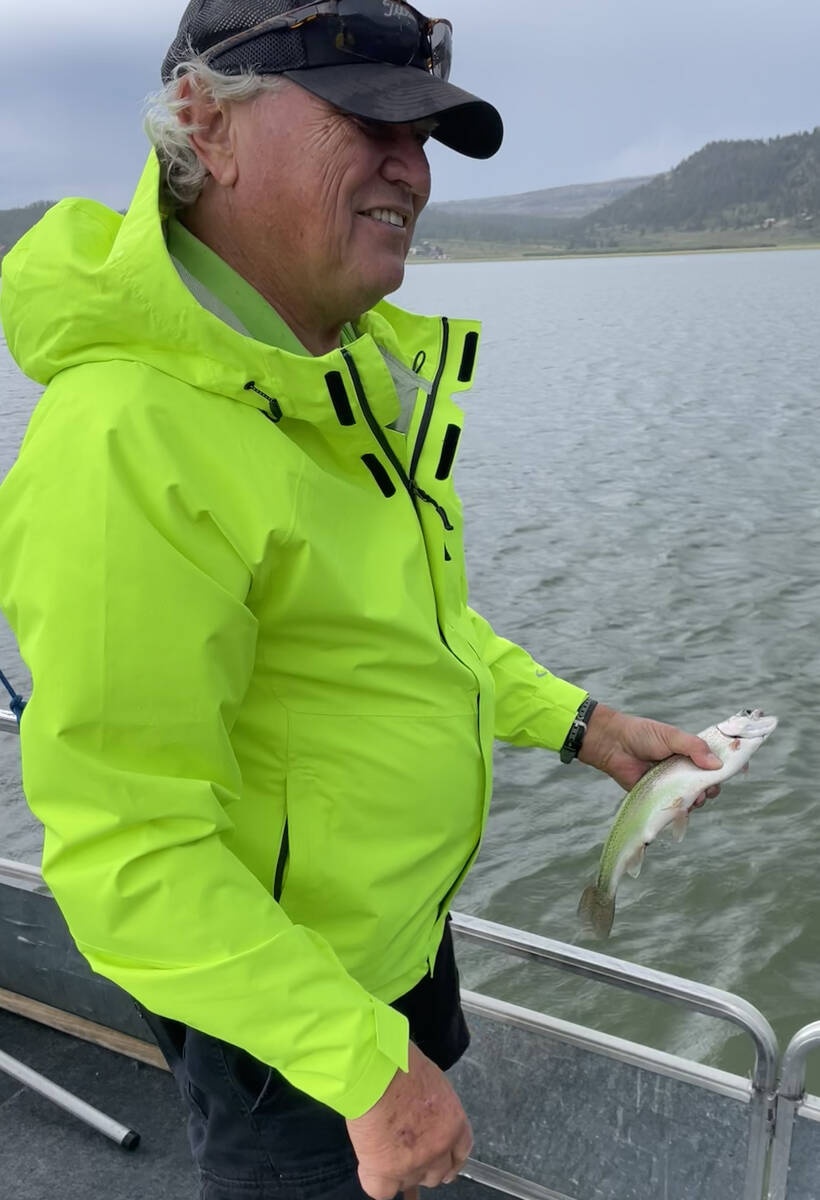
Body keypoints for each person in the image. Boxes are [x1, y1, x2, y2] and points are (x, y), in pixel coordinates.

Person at [0, 3, 722, 1198]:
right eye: (364, 119)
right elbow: (130, 851)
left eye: (424, 133)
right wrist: (363, 1066)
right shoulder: (129, 440)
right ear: (201, 124)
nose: (412, 170)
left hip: (391, 945)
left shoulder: (328, 377)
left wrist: (583, 725)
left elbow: (406, 636)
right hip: (287, 1025)